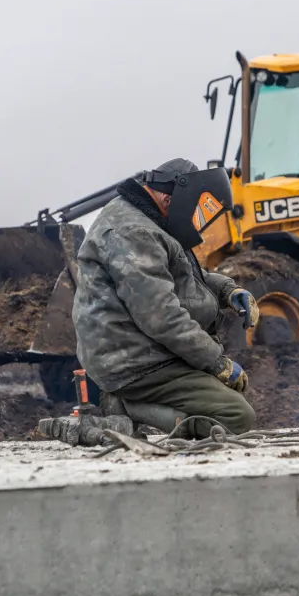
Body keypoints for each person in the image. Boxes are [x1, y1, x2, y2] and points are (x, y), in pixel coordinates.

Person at [70, 158, 260, 437]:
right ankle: (126, 406)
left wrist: (228, 291)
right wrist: (217, 362)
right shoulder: (135, 232)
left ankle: (141, 405)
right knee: (236, 416)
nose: (198, 220)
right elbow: (161, 316)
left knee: (227, 403)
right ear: (173, 197)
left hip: (145, 351)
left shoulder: (150, 222)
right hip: (134, 362)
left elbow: (181, 278)